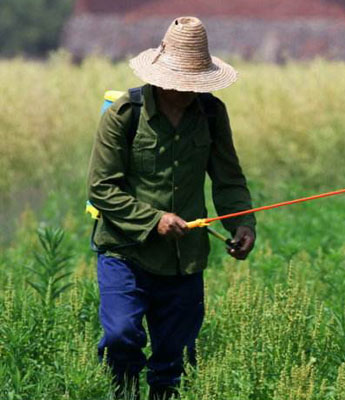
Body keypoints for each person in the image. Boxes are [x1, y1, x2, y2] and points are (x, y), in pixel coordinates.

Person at [86, 16, 256, 400]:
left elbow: (228, 180)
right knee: (120, 337)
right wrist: (154, 220)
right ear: (158, 75)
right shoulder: (125, 115)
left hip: (184, 260)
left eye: (194, 83)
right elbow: (101, 188)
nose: (185, 91)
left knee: (174, 360)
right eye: (180, 82)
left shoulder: (212, 113)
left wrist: (242, 223)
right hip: (125, 252)